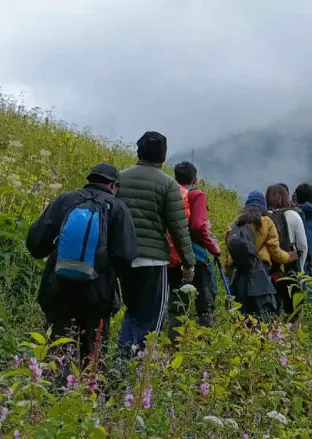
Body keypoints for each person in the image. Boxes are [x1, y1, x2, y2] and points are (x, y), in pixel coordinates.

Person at [25, 163, 137, 366]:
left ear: (90, 179)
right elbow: (126, 257)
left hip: (58, 287)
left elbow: (35, 244)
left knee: (57, 349)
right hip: (98, 294)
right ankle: (88, 394)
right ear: (113, 185)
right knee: (93, 355)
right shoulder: (117, 208)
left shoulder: (65, 200)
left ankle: (54, 391)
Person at [115, 131, 195, 355]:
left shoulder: (120, 178)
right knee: (152, 318)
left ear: (138, 150)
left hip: (124, 258)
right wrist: (189, 262)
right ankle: (138, 367)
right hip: (154, 260)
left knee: (132, 311)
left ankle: (123, 358)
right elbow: (178, 227)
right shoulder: (168, 184)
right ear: (163, 156)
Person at [223, 190, 296, 320]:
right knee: (262, 315)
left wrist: (230, 273)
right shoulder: (266, 222)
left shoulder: (234, 225)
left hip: (238, 275)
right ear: (264, 206)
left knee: (241, 316)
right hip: (260, 274)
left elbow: (229, 256)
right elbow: (275, 251)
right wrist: (288, 257)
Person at [167, 161, 221, 331]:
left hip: (172, 254)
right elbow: (198, 226)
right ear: (195, 179)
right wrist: (214, 248)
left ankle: (172, 343)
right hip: (195, 255)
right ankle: (206, 340)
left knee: (176, 303)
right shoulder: (196, 194)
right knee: (204, 301)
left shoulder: (171, 194)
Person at [266, 184, 308, 317]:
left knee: (274, 309)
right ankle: (293, 334)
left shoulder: (264, 216)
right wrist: (300, 269)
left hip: (271, 269)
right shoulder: (293, 215)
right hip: (290, 268)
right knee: (294, 310)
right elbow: (302, 246)